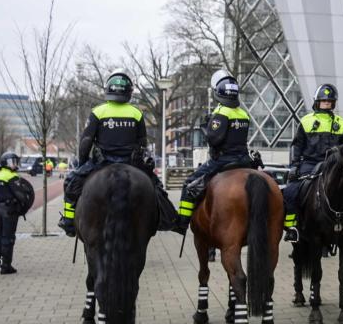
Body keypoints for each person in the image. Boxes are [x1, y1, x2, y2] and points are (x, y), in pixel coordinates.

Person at [59, 71, 179, 237]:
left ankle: (68, 222)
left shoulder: (98, 112)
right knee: (157, 188)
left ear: (108, 90)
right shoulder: (136, 113)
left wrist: (82, 163)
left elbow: (86, 141)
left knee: (71, 184)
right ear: (129, 92)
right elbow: (142, 142)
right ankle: (169, 219)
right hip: (131, 163)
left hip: (101, 163)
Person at [175, 71, 258, 235]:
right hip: (244, 160)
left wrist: (206, 127)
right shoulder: (244, 114)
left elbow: (214, 140)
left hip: (222, 160)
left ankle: (181, 223)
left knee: (189, 185)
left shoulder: (221, 113)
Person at [282, 83, 343, 242]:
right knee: (291, 191)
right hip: (310, 164)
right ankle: (292, 227)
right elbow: (297, 145)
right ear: (317, 102)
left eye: (329, 101)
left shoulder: (341, 123)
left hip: (333, 166)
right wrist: (294, 165)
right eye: (323, 100)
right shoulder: (306, 121)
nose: (327, 103)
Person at [0, 151, 32, 274]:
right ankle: (6, 266)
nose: (14, 164)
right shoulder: (12, 177)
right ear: (5, 163)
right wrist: (22, 208)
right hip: (10, 211)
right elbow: (21, 195)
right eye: (11, 162)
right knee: (8, 237)